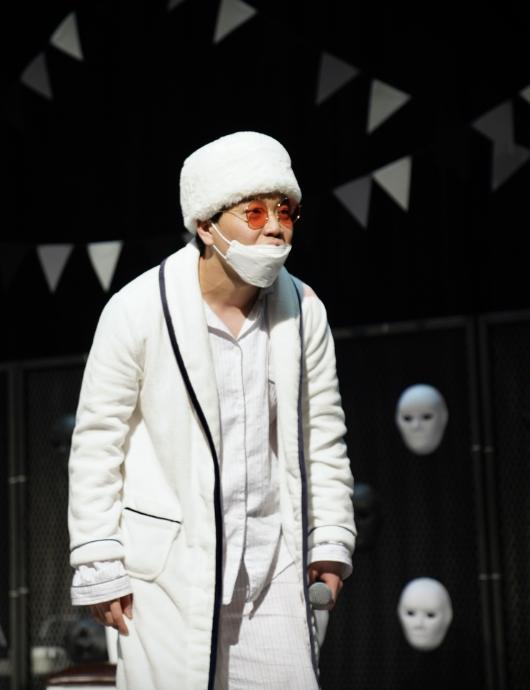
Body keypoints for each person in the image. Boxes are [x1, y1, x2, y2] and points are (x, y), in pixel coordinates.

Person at [67, 131, 356, 689]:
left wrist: (329, 538)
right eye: (255, 212)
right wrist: (99, 559)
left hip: (273, 571)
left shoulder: (304, 310)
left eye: (286, 212)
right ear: (205, 225)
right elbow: (98, 441)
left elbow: (322, 434)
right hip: (168, 575)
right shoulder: (136, 309)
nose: (275, 227)